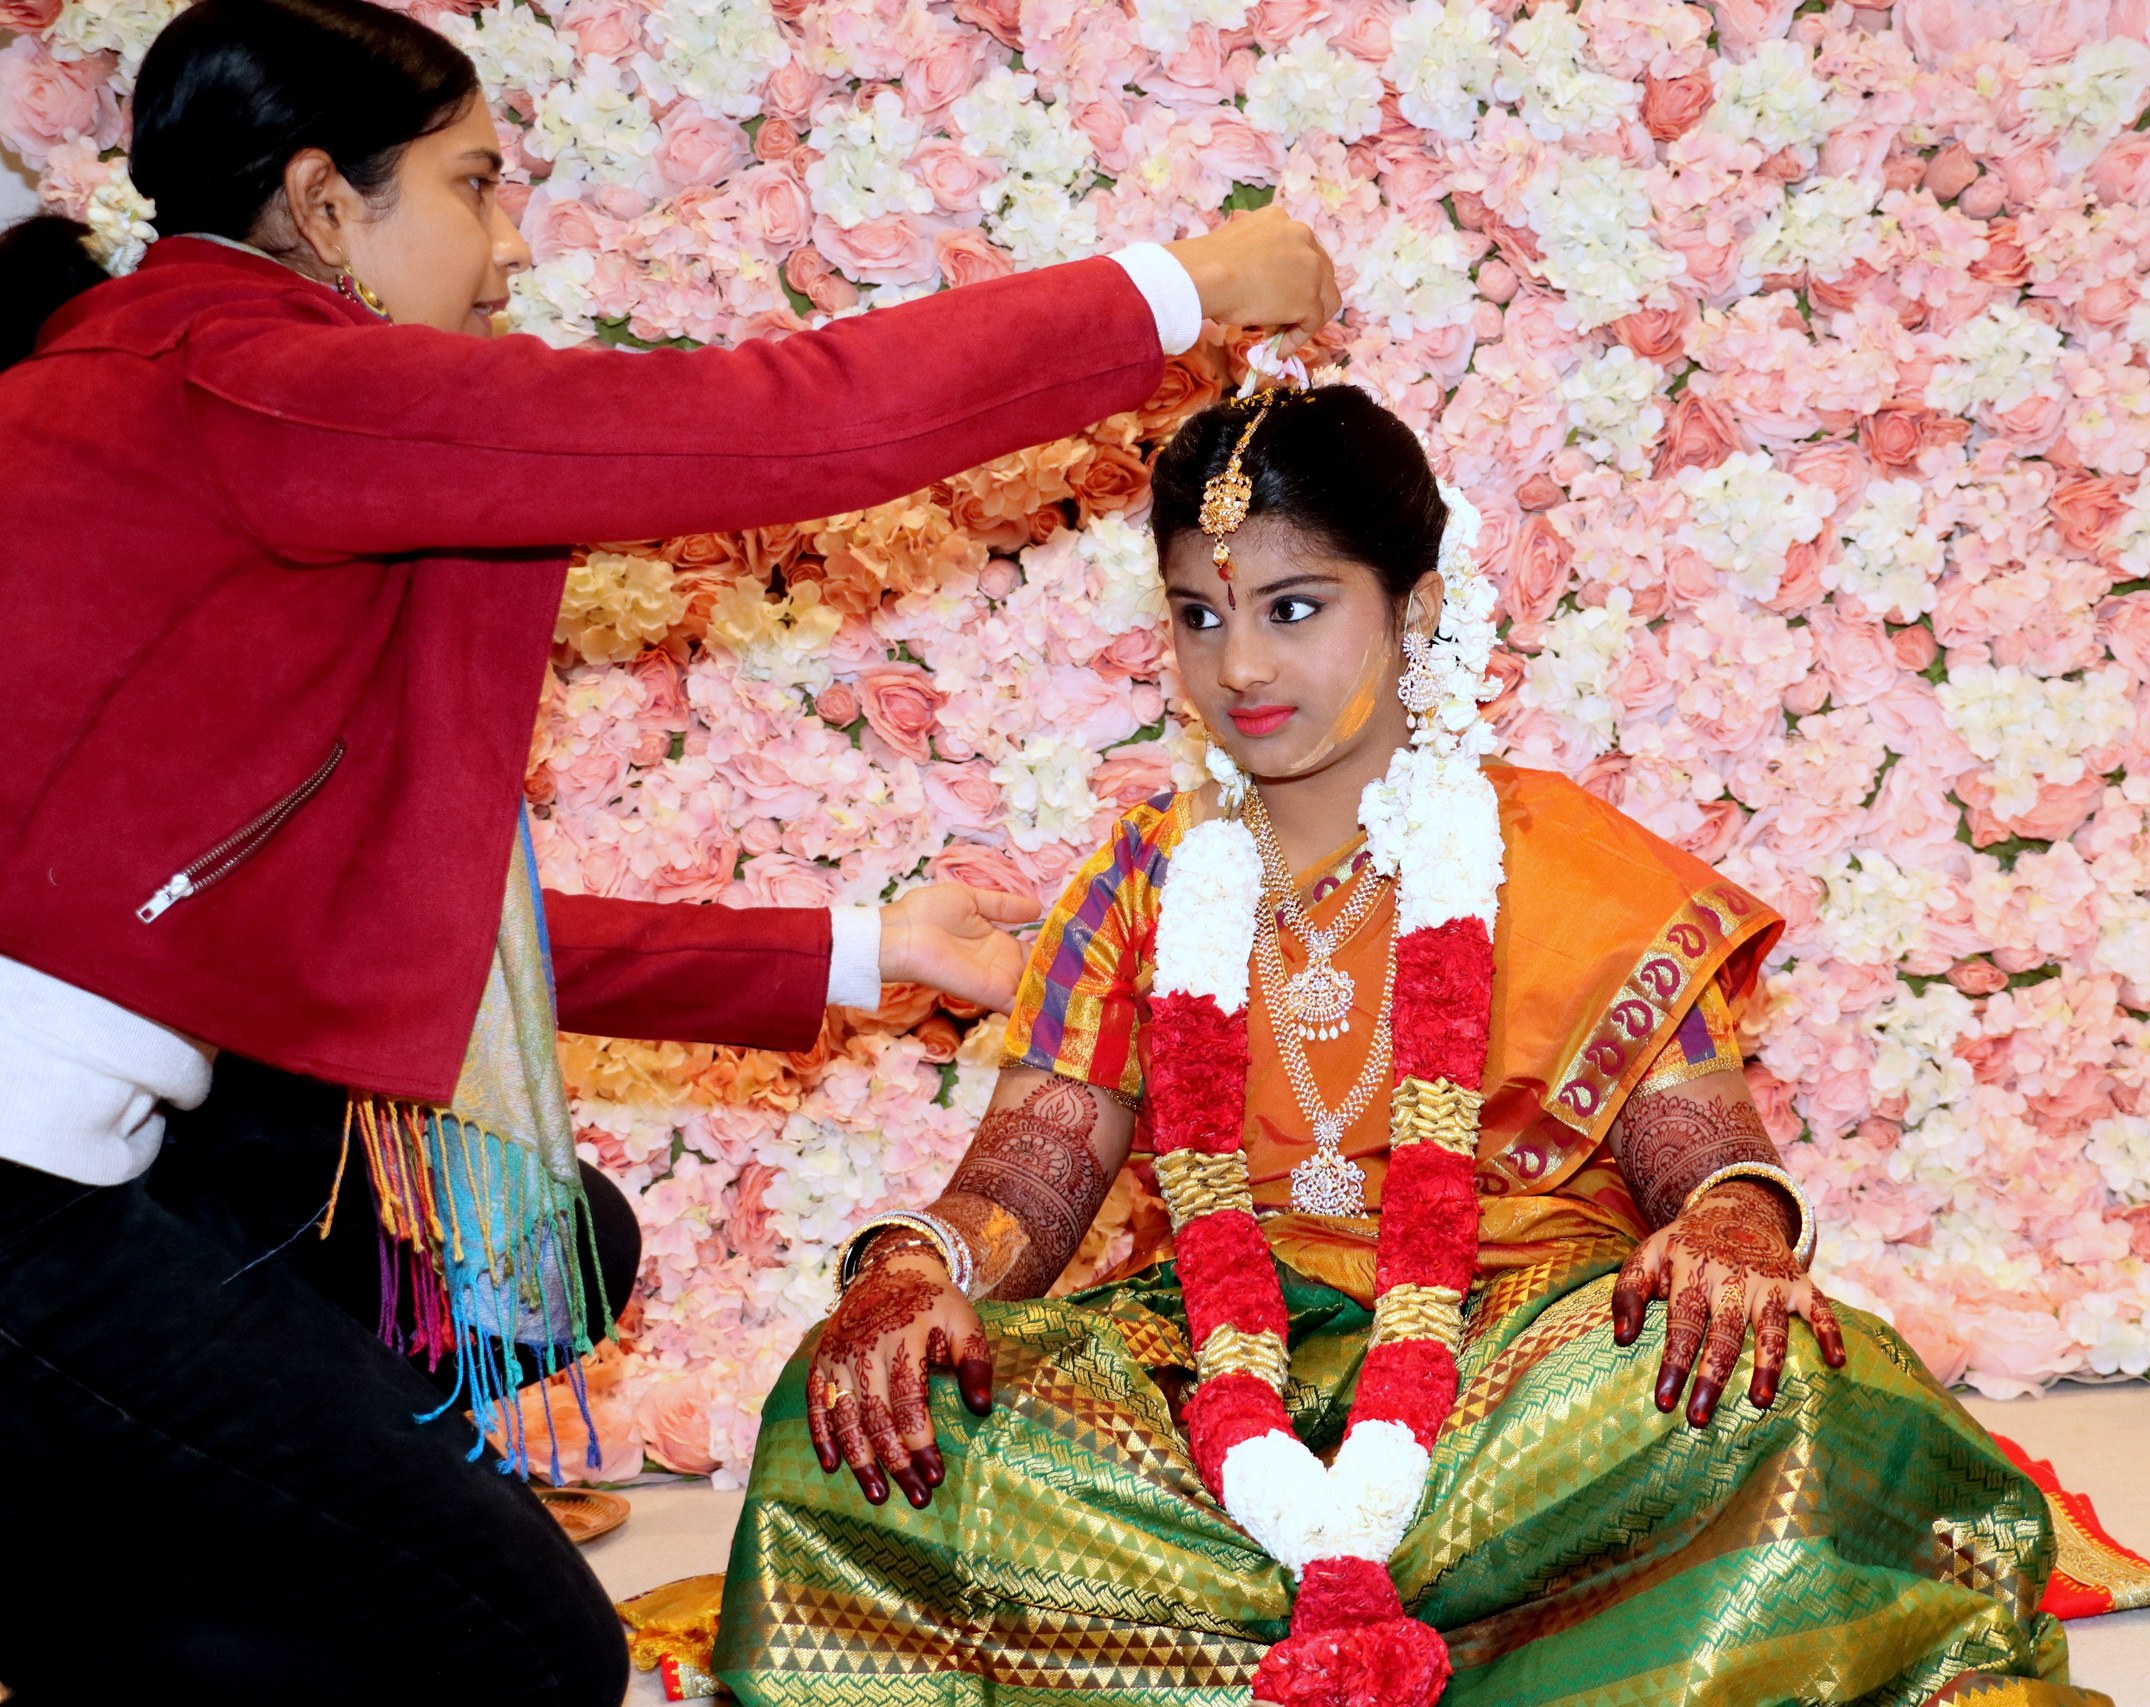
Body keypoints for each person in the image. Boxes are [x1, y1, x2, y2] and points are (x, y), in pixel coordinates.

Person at [0, 1, 1336, 1702]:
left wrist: (877, 947)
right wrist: (1177, 291)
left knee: (547, 1253)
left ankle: (121, 1583)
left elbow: (419, 934)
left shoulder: (153, 387)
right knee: (520, 1638)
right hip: (25, 1205)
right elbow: (769, 424)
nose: (501, 256)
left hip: (113, 1161)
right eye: (478, 187)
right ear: (328, 205)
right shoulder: (247, 378)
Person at [714, 383, 2109, 1707]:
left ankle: (1260, 1646)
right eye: (1200, 617)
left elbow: (1717, 1174)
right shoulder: (1146, 879)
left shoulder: (1561, 861)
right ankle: (1512, 1637)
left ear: (1415, 609)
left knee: (1793, 1393)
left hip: (1529, 1381)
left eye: (1294, 607)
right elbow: (1023, 1189)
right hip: (1207, 1374)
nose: (1241, 665)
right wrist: (905, 1272)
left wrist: (1734, 1236)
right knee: (839, 1425)